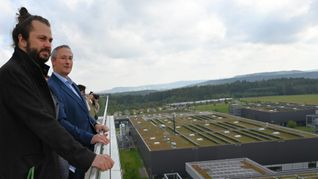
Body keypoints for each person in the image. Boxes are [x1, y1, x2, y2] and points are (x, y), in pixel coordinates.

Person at [0, 7, 113, 178]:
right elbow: (45, 124)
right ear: (22, 40)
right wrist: (89, 157)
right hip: (27, 171)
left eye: (50, 40)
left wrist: (94, 126)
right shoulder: (12, 74)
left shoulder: (33, 74)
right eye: (41, 38)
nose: (47, 44)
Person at [48, 45, 110, 179]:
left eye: (70, 58)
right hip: (74, 154)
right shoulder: (51, 87)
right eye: (63, 58)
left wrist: (95, 124)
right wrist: (90, 137)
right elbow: (61, 122)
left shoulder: (71, 83)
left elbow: (82, 110)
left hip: (86, 149)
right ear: (53, 61)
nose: (68, 62)